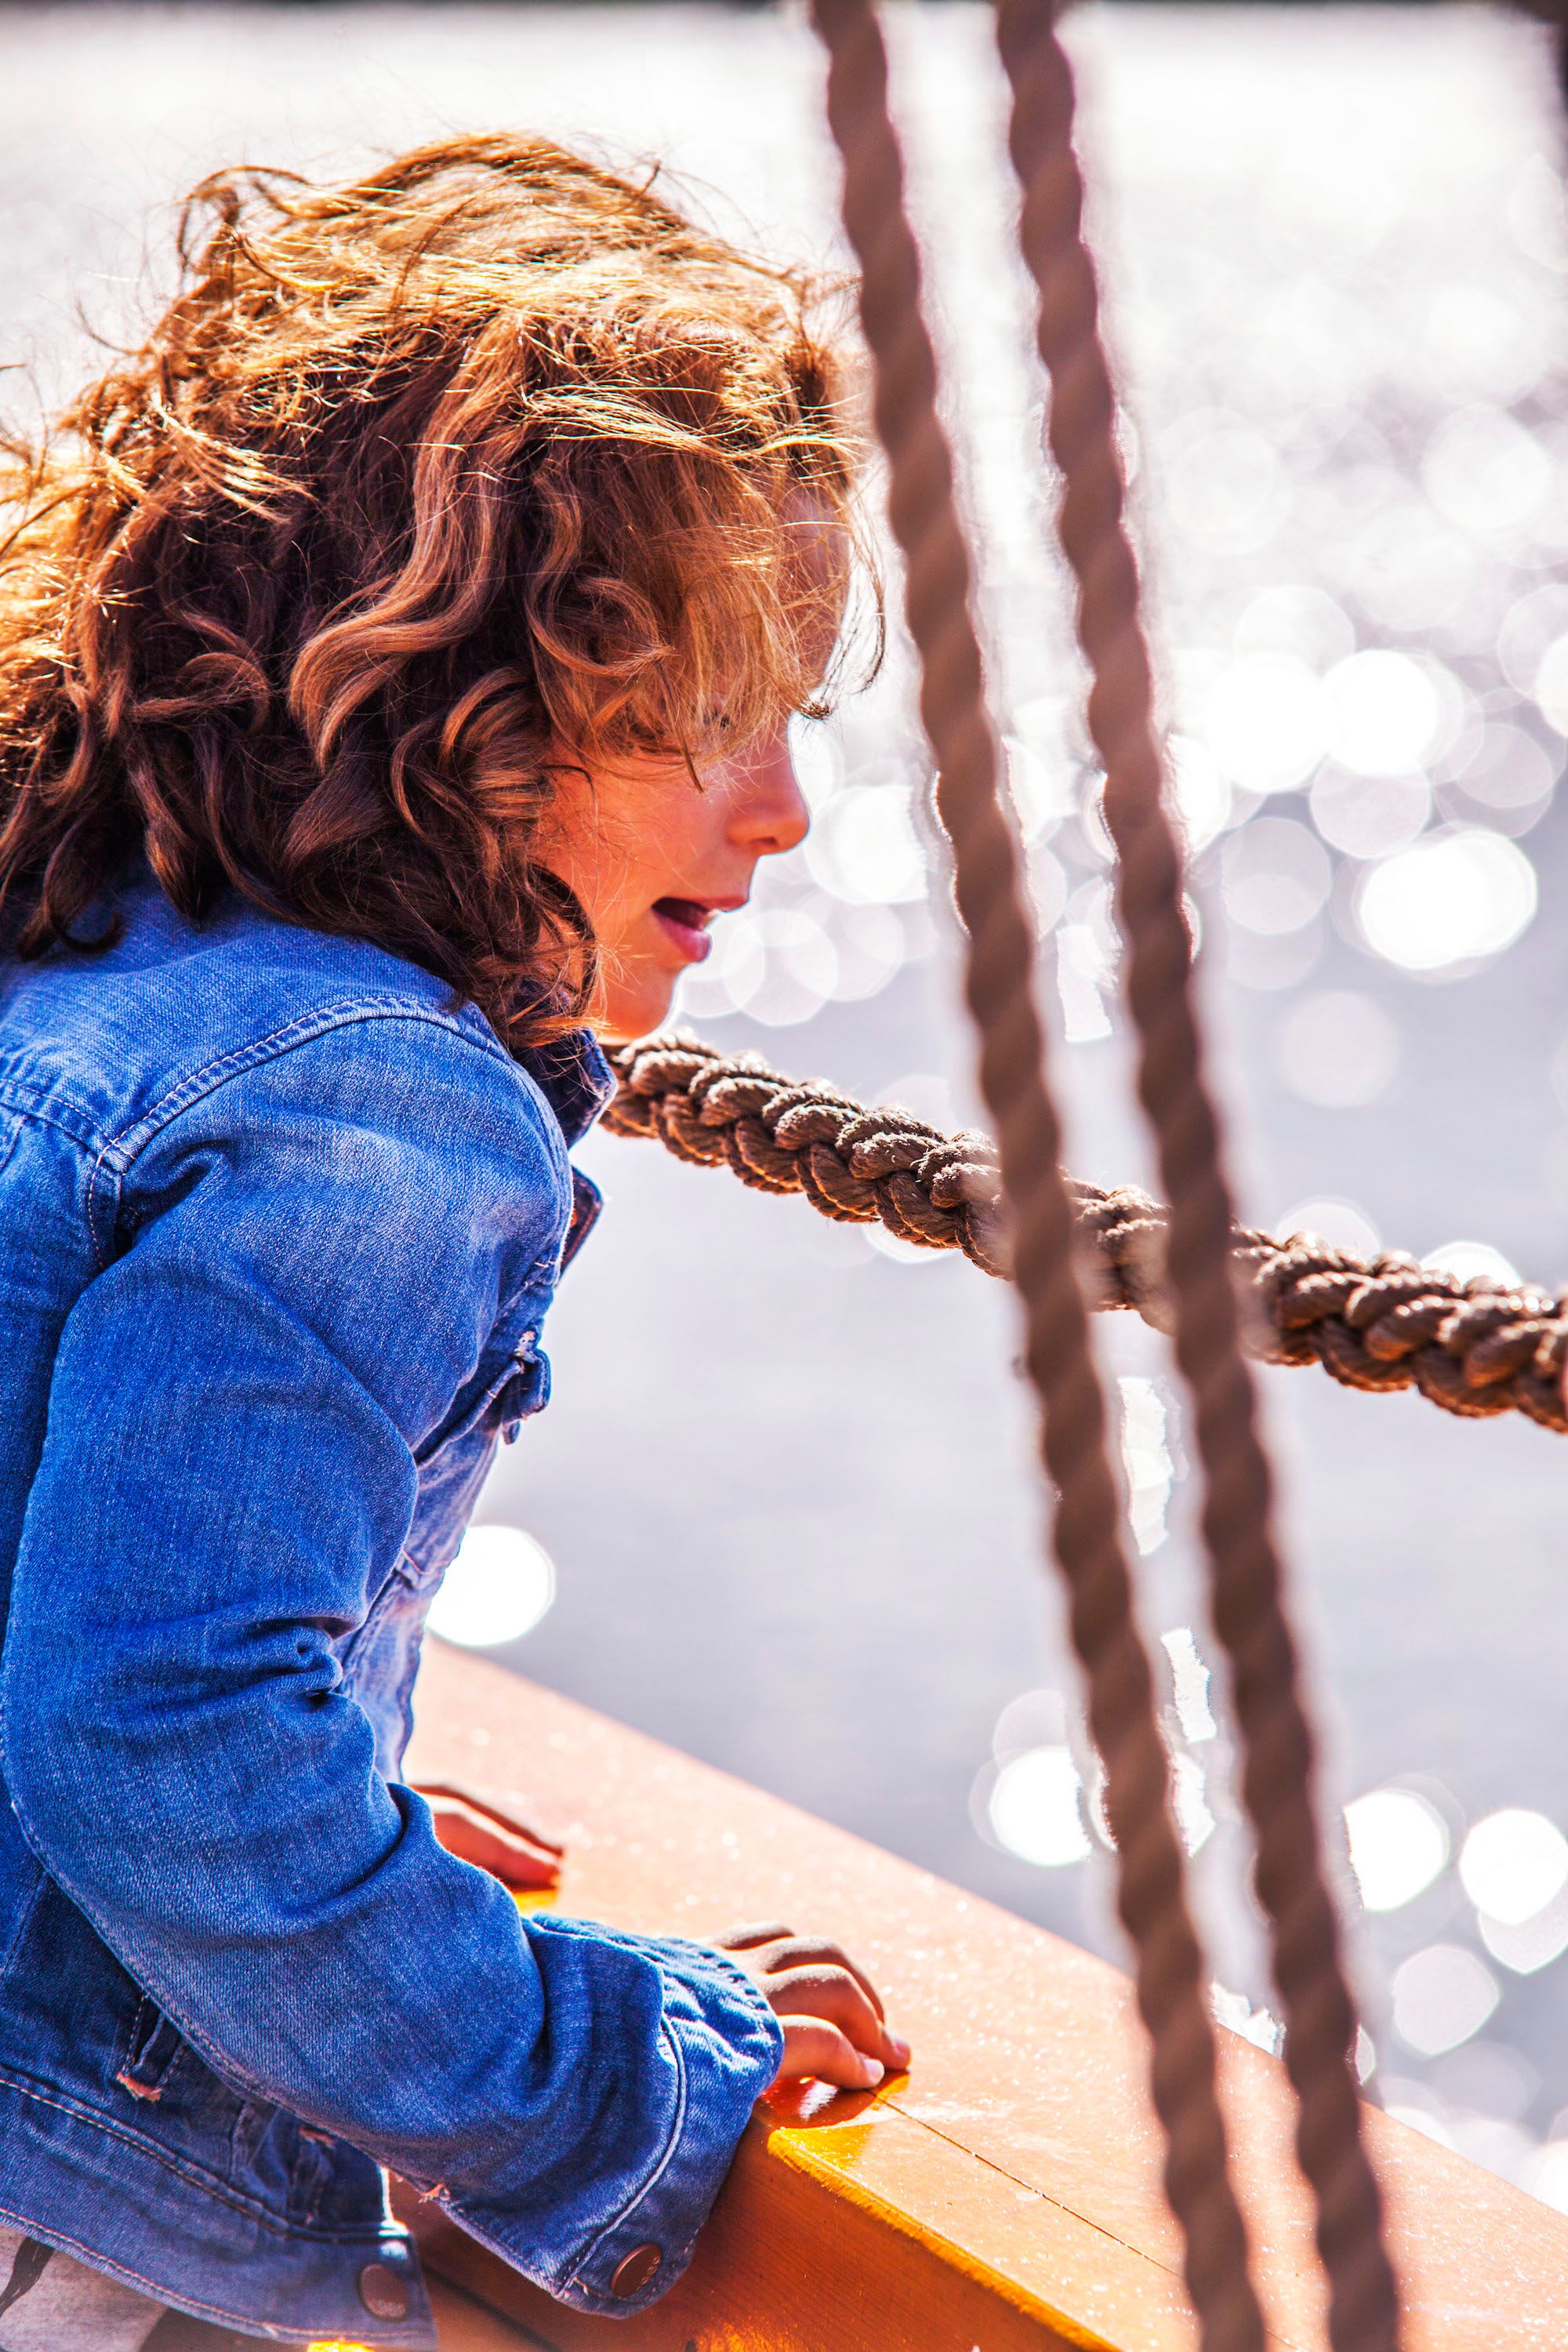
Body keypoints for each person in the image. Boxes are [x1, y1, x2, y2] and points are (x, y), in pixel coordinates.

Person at [0, 134, 907, 2350]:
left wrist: (353, 1821)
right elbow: (162, 1734)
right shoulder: (375, 1108)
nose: (782, 805)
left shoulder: (74, 957)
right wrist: (586, 2062)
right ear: (458, 708)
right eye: (707, 714)